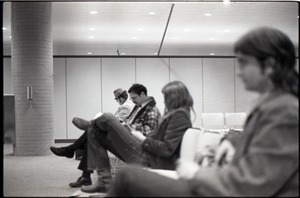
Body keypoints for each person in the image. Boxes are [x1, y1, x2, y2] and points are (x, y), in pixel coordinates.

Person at [107, 27, 299, 197]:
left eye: (244, 63)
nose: (239, 72)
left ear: (270, 65)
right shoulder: (274, 104)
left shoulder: (283, 110)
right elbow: (262, 144)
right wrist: (231, 141)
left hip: (223, 188)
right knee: (127, 174)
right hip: (220, 182)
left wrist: (196, 173)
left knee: (127, 177)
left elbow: (253, 183)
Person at [77, 81, 194, 193]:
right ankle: (104, 181)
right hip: (147, 153)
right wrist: (132, 131)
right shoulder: (176, 114)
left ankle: (90, 123)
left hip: (150, 159)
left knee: (108, 118)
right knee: (93, 132)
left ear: (176, 97)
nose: (165, 101)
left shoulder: (180, 116)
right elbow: (157, 137)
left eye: (167, 97)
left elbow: (167, 149)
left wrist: (142, 138)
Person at [49, 86, 152, 188]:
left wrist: (131, 129)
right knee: (93, 133)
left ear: (142, 94)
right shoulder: (137, 108)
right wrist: (128, 126)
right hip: (131, 143)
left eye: (134, 98)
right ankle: (88, 176)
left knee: (107, 119)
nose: (132, 101)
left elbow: (148, 136)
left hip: (139, 151)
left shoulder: (147, 110)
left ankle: (72, 148)